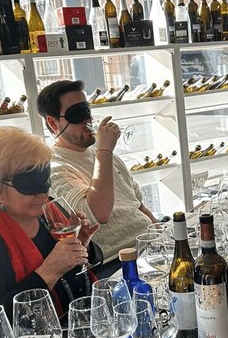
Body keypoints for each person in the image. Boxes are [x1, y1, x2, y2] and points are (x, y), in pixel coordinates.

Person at [0, 126, 100, 319]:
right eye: (29, 184)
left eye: (45, 180)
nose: (43, 194)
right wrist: (48, 272)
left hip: (80, 320)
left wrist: (83, 246)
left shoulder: (48, 212)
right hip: (36, 336)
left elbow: (86, 272)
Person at [37, 80, 157, 276]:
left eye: (87, 111)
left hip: (151, 246)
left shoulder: (105, 156)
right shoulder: (56, 169)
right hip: (115, 263)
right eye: (76, 114)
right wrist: (104, 150)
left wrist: (164, 235)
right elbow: (98, 215)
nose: (87, 120)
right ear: (53, 123)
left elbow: (139, 206)